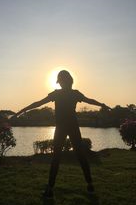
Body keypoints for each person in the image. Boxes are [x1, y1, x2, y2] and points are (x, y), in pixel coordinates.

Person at [12, 70, 111, 198]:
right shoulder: (74, 94)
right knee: (80, 155)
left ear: (61, 81)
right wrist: (103, 105)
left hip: (62, 128)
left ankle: (50, 189)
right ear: (70, 81)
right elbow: (90, 100)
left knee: (57, 157)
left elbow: (38, 103)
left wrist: (21, 111)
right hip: (72, 126)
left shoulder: (58, 94)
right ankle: (89, 185)